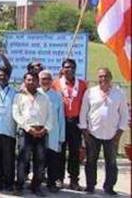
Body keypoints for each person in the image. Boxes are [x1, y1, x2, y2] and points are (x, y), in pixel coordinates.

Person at [79, 67, 129, 195]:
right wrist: (85, 131)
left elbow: (124, 114)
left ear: (110, 78)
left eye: (106, 76)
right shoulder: (90, 92)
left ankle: (109, 187)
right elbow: (83, 111)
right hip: (93, 133)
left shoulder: (119, 93)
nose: (103, 79)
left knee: (111, 162)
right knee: (90, 161)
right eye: (100, 76)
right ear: (98, 78)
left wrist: (119, 133)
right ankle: (90, 186)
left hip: (112, 134)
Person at [12, 71, 53, 196]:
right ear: (24, 81)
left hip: (41, 132)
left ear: (37, 82)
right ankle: (19, 185)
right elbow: (16, 114)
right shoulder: (19, 97)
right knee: (23, 159)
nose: (31, 82)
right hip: (25, 132)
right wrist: (28, 128)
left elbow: (50, 116)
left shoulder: (44, 97)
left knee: (40, 160)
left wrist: (45, 129)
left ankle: (36, 186)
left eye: (33, 80)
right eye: (28, 80)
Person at [52, 58, 87, 191]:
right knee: (59, 152)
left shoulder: (82, 84)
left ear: (75, 69)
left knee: (74, 152)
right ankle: (59, 178)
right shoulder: (56, 84)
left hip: (75, 123)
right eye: (67, 67)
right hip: (61, 122)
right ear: (62, 69)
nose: (69, 69)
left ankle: (74, 180)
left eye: (72, 67)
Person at [39, 70, 65, 193]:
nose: (45, 81)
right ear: (39, 80)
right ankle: (37, 183)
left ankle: (51, 183)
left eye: (48, 79)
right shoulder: (34, 93)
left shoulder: (57, 96)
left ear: (51, 81)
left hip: (53, 134)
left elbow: (61, 118)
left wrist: (61, 138)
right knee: (38, 160)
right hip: (38, 134)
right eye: (43, 79)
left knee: (53, 161)